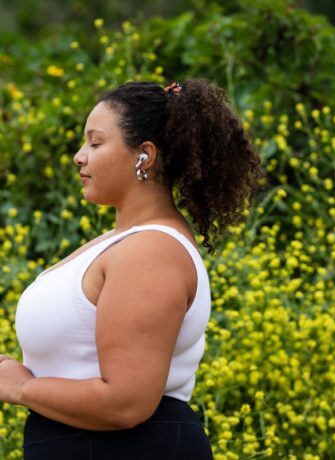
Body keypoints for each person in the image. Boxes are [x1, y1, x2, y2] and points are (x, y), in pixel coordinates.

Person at [0, 78, 263, 459]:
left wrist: (21, 388)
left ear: (145, 156)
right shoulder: (124, 241)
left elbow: (125, 403)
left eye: (95, 143)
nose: (79, 157)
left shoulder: (151, 251)